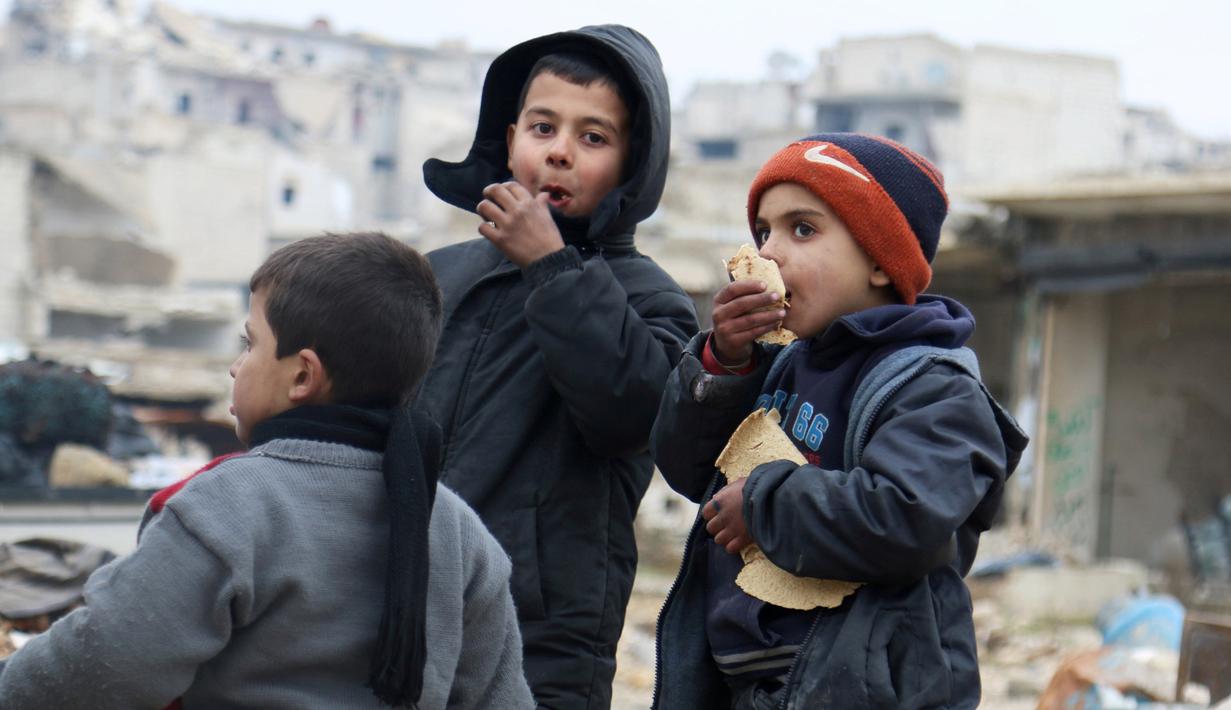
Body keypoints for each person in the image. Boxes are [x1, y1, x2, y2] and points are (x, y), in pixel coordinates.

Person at [0, 232, 534, 710]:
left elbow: (101, 665)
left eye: (250, 344)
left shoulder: (226, 507)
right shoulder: (461, 532)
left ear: (302, 375)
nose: (236, 366)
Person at [650, 134, 1029, 709]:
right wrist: (724, 363)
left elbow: (907, 518)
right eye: (763, 232)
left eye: (802, 229)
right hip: (749, 686)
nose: (770, 253)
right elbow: (689, 469)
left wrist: (763, 506)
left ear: (881, 259)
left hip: (861, 688)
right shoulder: (784, 363)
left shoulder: (933, 389)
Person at [417, 24, 698, 709]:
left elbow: (628, 417)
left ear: (633, 164)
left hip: (539, 630)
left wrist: (551, 267)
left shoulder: (650, 299)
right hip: (403, 604)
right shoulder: (436, 278)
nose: (560, 153)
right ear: (509, 136)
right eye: (542, 127)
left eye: (593, 138)